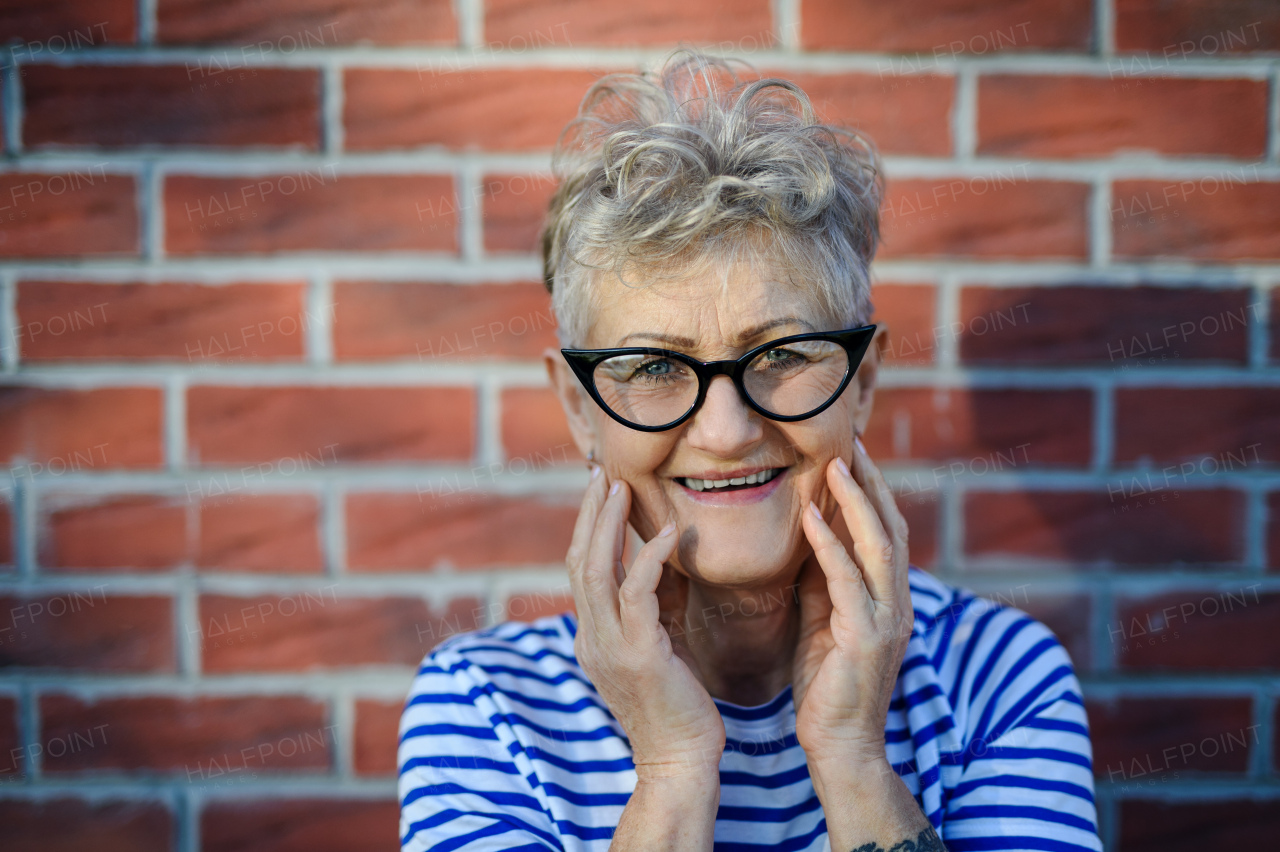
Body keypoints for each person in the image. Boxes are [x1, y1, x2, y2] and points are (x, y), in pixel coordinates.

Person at [398, 51, 1101, 852]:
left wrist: (852, 758)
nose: (726, 430)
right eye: (655, 367)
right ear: (578, 407)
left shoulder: (998, 677)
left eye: (783, 355)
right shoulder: (486, 705)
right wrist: (670, 766)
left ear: (862, 382)